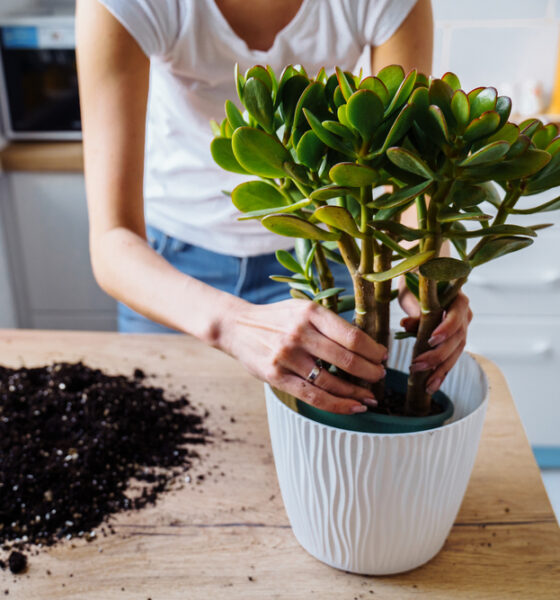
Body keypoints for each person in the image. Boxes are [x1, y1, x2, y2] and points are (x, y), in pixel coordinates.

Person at [76, 0, 472, 415]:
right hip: (169, 275)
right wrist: (230, 322)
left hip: (333, 260)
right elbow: (111, 242)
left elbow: (406, 175)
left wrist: (428, 274)